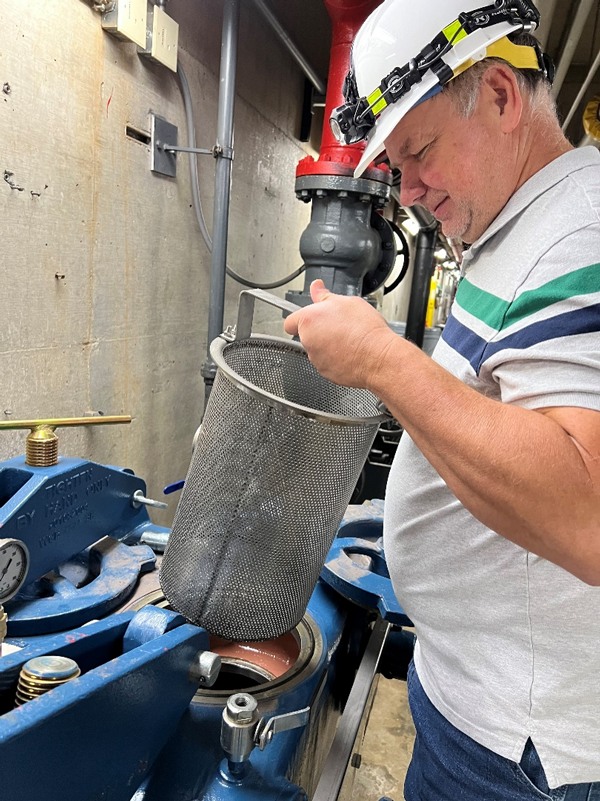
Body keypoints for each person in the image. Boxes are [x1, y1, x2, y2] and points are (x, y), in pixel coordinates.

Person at [284, 1, 600, 799]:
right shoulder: (513, 227)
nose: (412, 187)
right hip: (472, 698)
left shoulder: (581, 231)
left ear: (499, 94)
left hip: (519, 754)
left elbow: (586, 509)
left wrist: (384, 361)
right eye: (397, 162)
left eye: (418, 150)